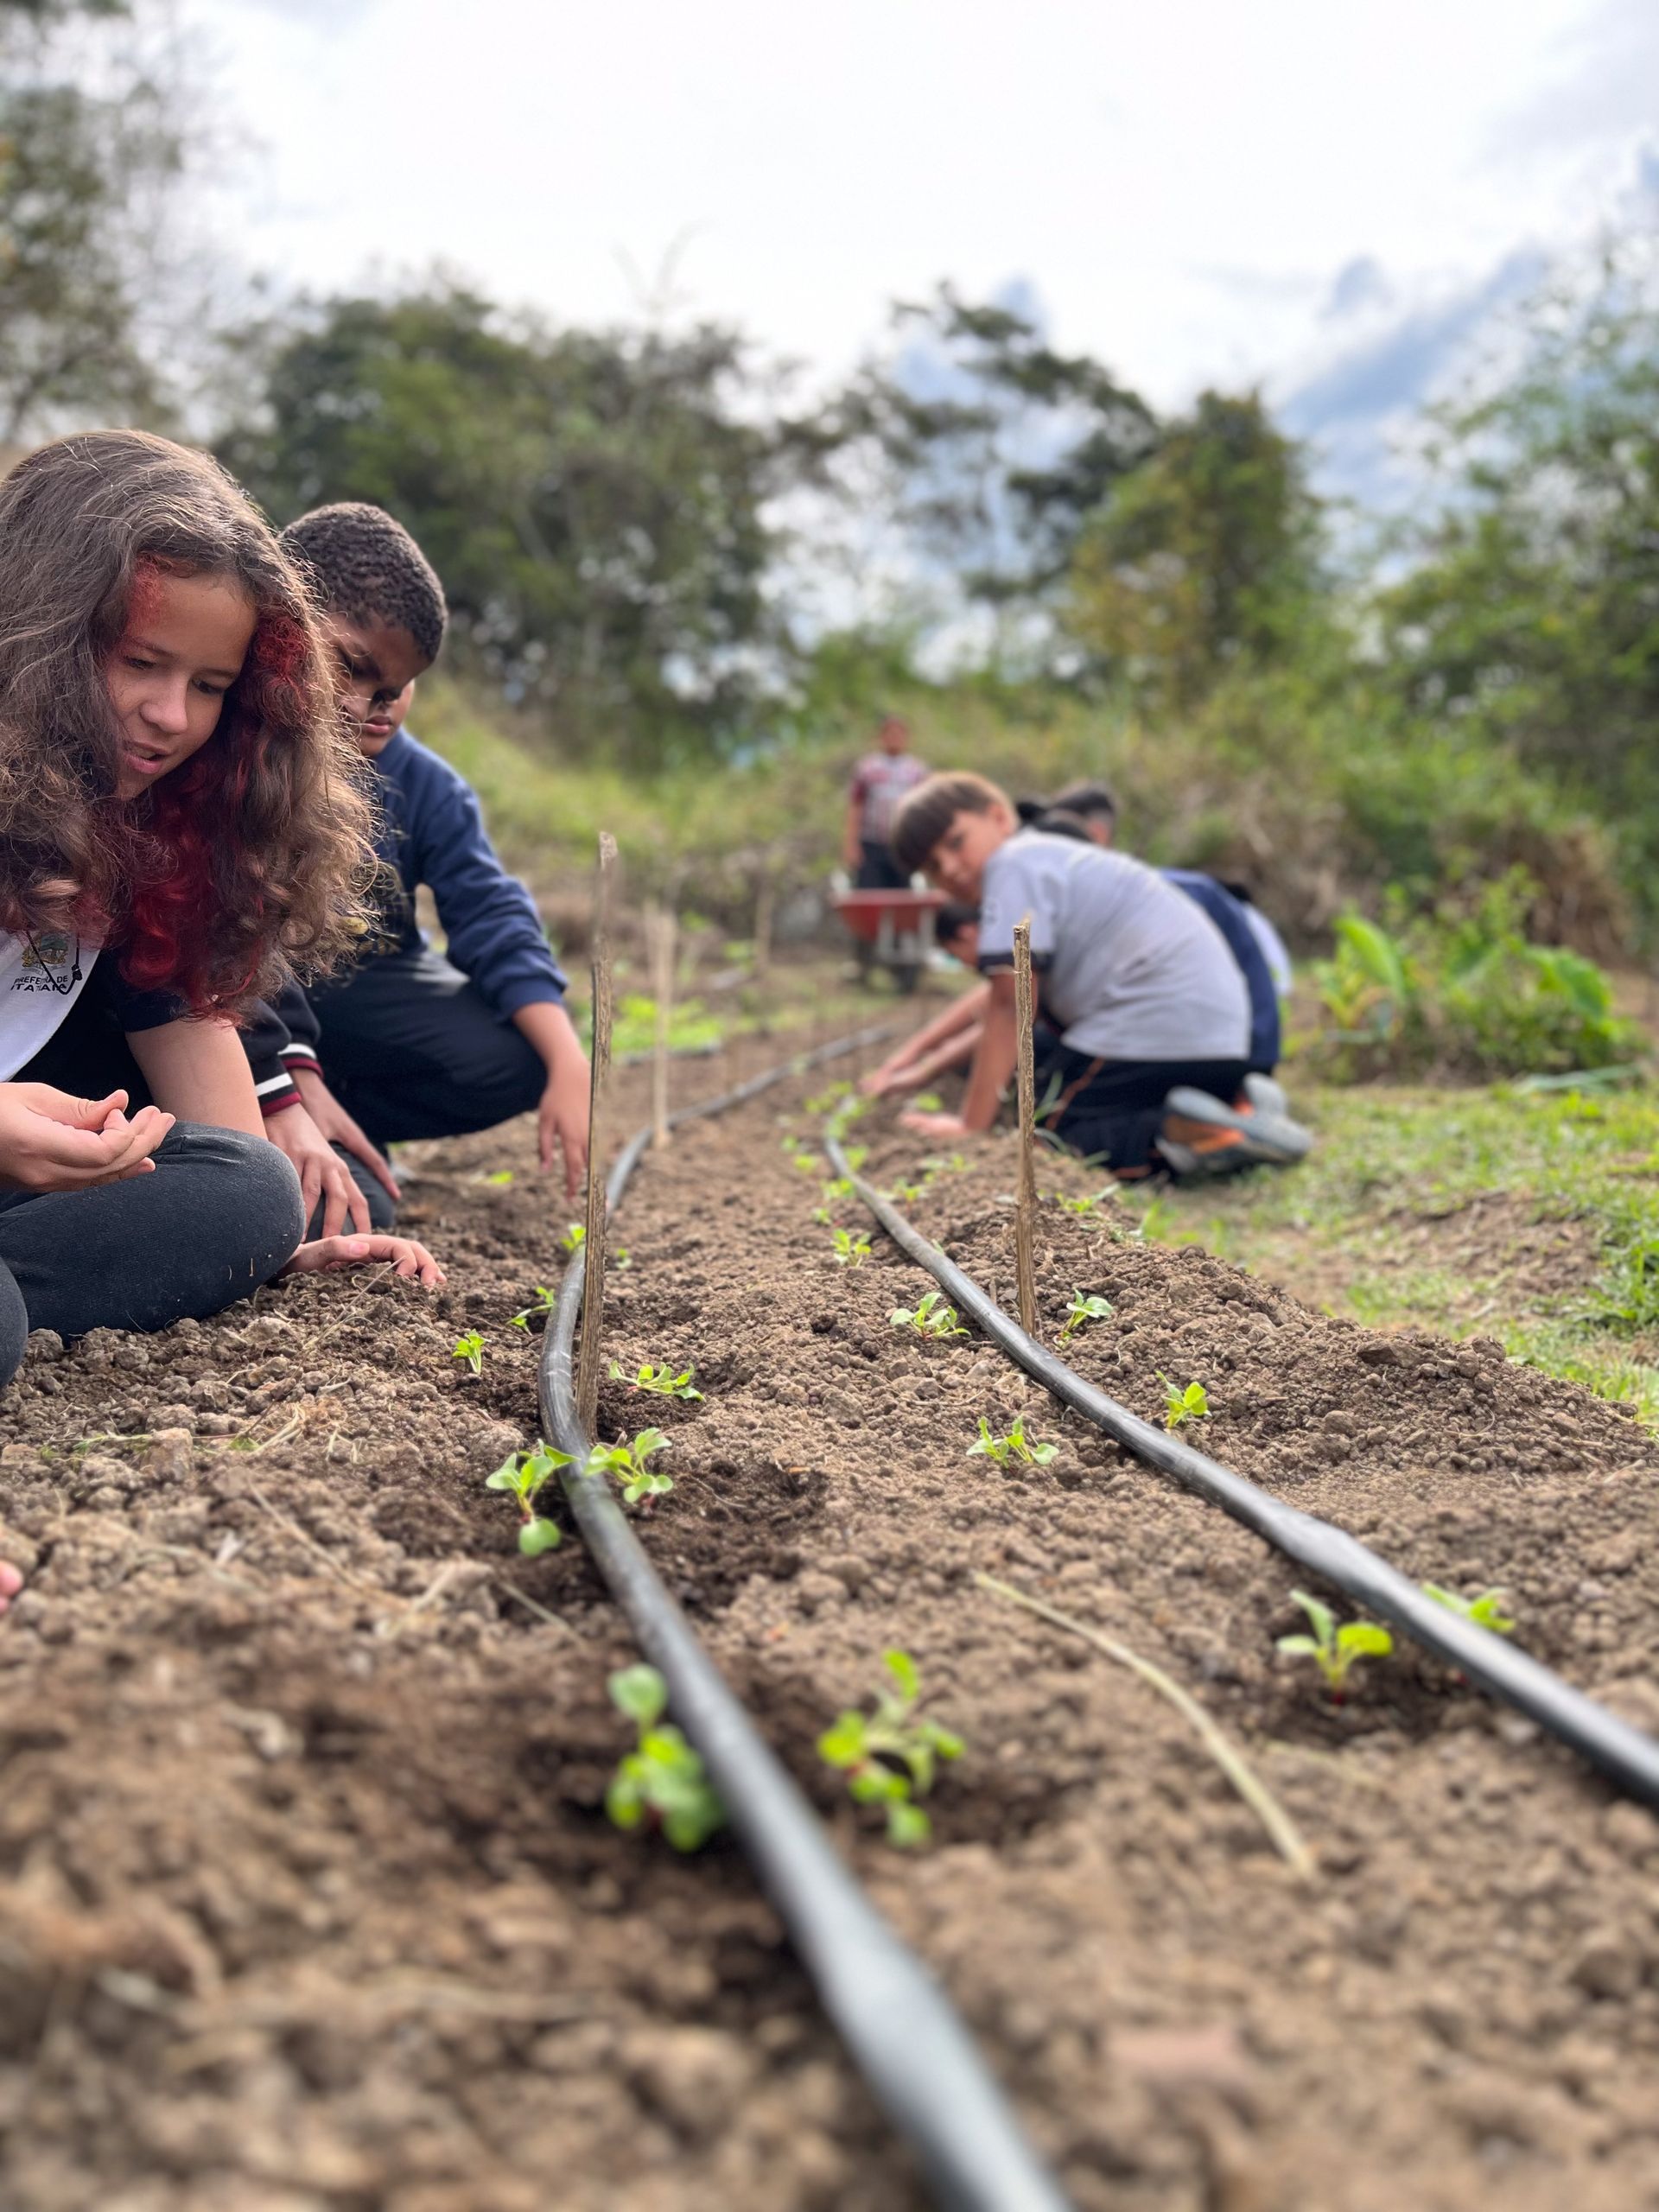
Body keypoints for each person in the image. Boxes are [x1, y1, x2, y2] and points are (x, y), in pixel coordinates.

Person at [0, 431, 443, 1439]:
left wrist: (268, 1253)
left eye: (210, 687)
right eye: (142, 664)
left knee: (249, 1195)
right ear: (39, 632)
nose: (171, 717)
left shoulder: (148, 829)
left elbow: (226, 1143)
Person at [247, 505, 590, 1227]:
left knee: (519, 1052)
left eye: (394, 689)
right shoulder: (232, 747)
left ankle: (348, 1118)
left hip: (363, 994)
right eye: (353, 669)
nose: (368, 707)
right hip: (240, 1006)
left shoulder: (425, 785)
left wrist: (567, 1060)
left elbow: (490, 911)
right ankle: (276, 1114)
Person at [887, 773, 1309, 1177]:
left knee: (1044, 1130)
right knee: (1056, 1082)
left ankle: (1204, 1135)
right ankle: (1238, 1106)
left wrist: (969, 1127)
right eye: (934, 868)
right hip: (1216, 1044)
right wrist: (921, 1066)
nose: (951, 868)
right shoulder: (1047, 858)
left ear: (998, 817)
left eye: (956, 843)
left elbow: (1010, 1004)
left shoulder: (1011, 867)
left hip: (1158, 1028)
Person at [842, 715, 929, 892]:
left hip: (903, 845)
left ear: (906, 737)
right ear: (881, 737)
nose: (894, 738)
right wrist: (851, 844)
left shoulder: (916, 770)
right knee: (870, 895)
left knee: (903, 897)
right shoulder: (867, 768)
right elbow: (856, 806)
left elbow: (924, 811)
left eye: (899, 734)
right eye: (890, 733)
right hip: (872, 844)